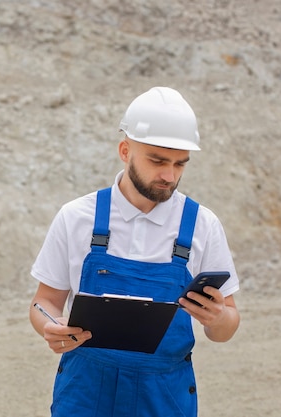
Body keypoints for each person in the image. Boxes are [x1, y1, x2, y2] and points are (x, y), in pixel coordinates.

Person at [29, 86, 240, 417]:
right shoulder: (76, 217)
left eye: (179, 164)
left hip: (164, 398)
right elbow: (45, 302)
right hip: (84, 393)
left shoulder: (203, 225)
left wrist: (219, 319)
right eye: (157, 160)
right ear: (125, 150)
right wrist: (49, 325)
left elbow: (226, 325)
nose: (169, 176)